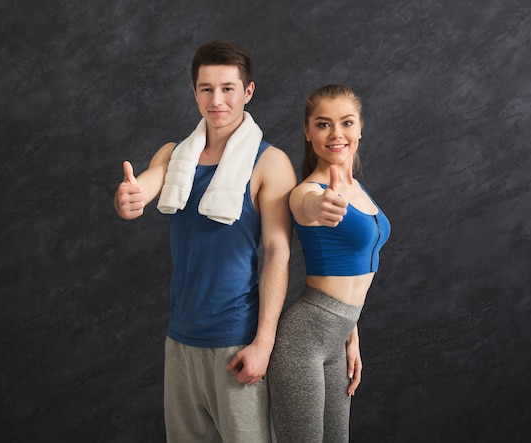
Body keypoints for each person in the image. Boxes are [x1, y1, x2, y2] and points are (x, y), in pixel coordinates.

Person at [114, 40, 296, 442]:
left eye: (228, 88)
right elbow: (140, 191)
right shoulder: (174, 156)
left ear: (248, 92)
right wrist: (128, 198)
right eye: (206, 88)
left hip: (237, 339)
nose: (217, 100)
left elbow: (278, 253)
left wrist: (264, 344)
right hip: (179, 340)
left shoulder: (270, 163)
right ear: (195, 92)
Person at [267, 84, 391, 442]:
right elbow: (305, 205)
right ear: (307, 132)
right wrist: (319, 206)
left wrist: (351, 337)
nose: (336, 134)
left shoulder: (357, 189)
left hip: (337, 339)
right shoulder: (311, 191)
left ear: (360, 127)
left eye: (346, 123)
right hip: (302, 342)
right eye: (323, 125)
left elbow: (351, 276)